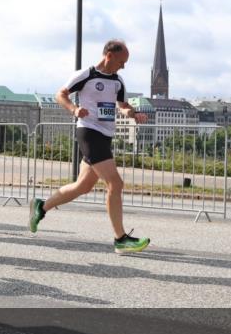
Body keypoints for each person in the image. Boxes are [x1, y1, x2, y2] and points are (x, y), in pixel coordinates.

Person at [29, 39, 151, 254]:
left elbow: (122, 106)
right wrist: (74, 109)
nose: (124, 66)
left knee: (82, 186)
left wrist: (133, 114)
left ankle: (41, 206)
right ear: (109, 55)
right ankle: (120, 239)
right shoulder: (86, 75)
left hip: (105, 135)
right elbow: (61, 94)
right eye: (122, 61)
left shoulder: (117, 81)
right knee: (115, 183)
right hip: (88, 132)